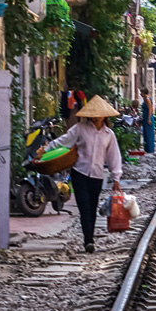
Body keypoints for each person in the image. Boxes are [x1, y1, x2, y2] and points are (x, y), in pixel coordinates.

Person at [46, 96, 124, 253]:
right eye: (94, 114)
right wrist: (46, 149)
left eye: (100, 114)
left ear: (105, 115)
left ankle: (90, 238)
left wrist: (116, 178)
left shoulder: (109, 135)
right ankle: (88, 240)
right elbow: (64, 141)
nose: (97, 116)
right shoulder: (79, 128)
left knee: (92, 206)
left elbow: (114, 156)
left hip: (97, 175)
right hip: (79, 173)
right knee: (84, 206)